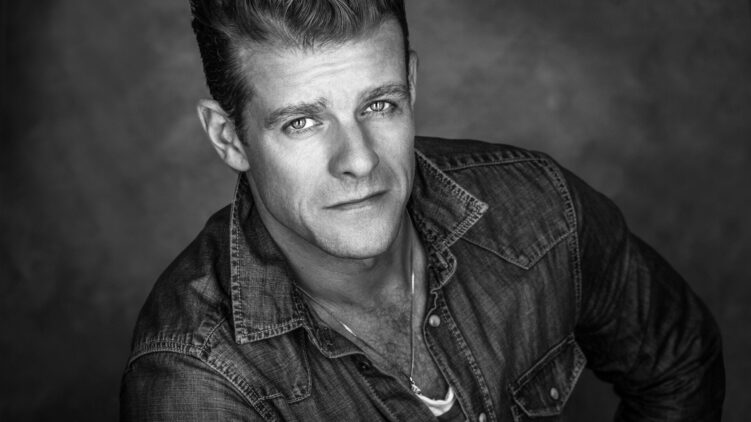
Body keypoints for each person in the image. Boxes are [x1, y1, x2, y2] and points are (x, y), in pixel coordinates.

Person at [120, 1, 724, 420]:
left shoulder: (537, 206)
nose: (359, 160)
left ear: (410, 83)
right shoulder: (196, 381)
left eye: (379, 105)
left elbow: (679, 363)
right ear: (229, 138)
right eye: (302, 122)